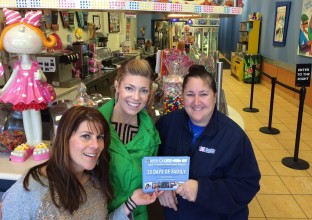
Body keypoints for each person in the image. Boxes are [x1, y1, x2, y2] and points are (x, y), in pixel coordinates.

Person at [1, 106, 160, 219]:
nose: (96, 145)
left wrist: (132, 203)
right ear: (65, 139)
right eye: (86, 136)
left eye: (100, 137)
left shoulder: (95, 181)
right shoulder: (29, 191)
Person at [155, 65, 261, 219]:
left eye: (203, 94)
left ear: (215, 96)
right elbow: (153, 160)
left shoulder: (234, 137)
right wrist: (162, 187)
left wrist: (201, 190)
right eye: (190, 94)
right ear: (182, 96)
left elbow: (248, 185)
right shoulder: (167, 125)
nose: (196, 102)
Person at [99, 59, 161, 220]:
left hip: (136, 214)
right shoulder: (94, 126)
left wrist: (166, 187)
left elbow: (152, 179)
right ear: (117, 86)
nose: (136, 97)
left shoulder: (151, 134)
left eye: (143, 91)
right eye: (129, 88)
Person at [0, 8, 57, 161]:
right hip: (22, 94)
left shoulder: (34, 66)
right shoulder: (18, 66)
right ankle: (30, 141)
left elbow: (43, 78)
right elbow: (11, 79)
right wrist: (3, 90)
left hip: (34, 93)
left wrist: (41, 77)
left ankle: (38, 140)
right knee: (26, 115)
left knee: (35, 114)